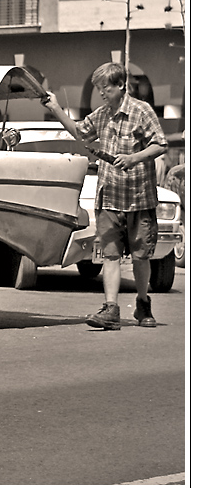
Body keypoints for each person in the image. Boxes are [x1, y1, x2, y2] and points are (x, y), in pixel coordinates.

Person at [42, 62, 167, 329]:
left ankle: (143, 304)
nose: (101, 93)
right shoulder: (102, 115)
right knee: (109, 255)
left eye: (106, 87)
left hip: (139, 197)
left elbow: (159, 144)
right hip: (109, 196)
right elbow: (80, 132)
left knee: (140, 256)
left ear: (121, 85)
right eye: (99, 88)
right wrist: (54, 109)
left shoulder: (141, 111)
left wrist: (134, 158)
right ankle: (111, 309)